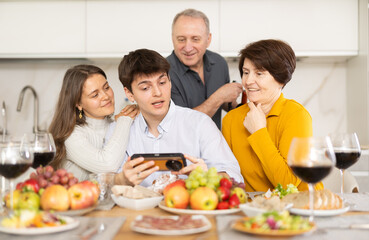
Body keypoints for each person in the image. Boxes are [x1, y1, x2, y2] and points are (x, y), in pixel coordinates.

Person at [113, 49, 243, 187]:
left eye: (162, 82)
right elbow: (100, 183)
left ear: (170, 81)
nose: (158, 93)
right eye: (145, 88)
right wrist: (121, 180)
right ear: (129, 93)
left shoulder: (200, 124)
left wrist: (208, 177)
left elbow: (236, 178)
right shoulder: (118, 130)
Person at [222, 39, 323, 192]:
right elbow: (229, 178)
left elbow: (287, 183)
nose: (248, 81)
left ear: (280, 78)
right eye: (246, 72)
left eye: (259, 73)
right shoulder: (231, 119)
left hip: (300, 208)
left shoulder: (296, 115)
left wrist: (258, 132)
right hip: (253, 210)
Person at [49, 64, 138, 181]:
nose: (106, 96)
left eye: (106, 88)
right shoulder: (72, 136)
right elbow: (108, 165)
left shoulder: (114, 125)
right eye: (95, 95)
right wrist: (125, 119)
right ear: (78, 104)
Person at [167, 8, 243, 129]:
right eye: (181, 39)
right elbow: (183, 124)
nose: (187, 48)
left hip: (214, 145)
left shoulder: (219, 63)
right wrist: (220, 96)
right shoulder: (163, 73)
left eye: (195, 39)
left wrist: (239, 106)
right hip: (183, 147)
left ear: (208, 39)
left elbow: (223, 103)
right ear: (172, 38)